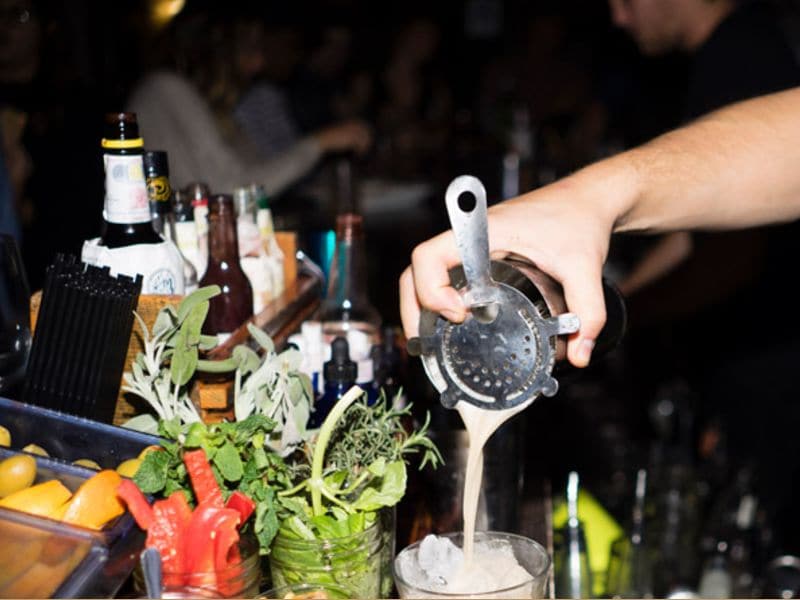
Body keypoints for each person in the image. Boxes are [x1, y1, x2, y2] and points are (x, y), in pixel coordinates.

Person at [126, 9, 371, 195]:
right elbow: (231, 188)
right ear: (214, 51)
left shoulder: (208, 104)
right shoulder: (165, 88)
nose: (258, 63)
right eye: (248, 49)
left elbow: (259, 173)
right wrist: (320, 142)